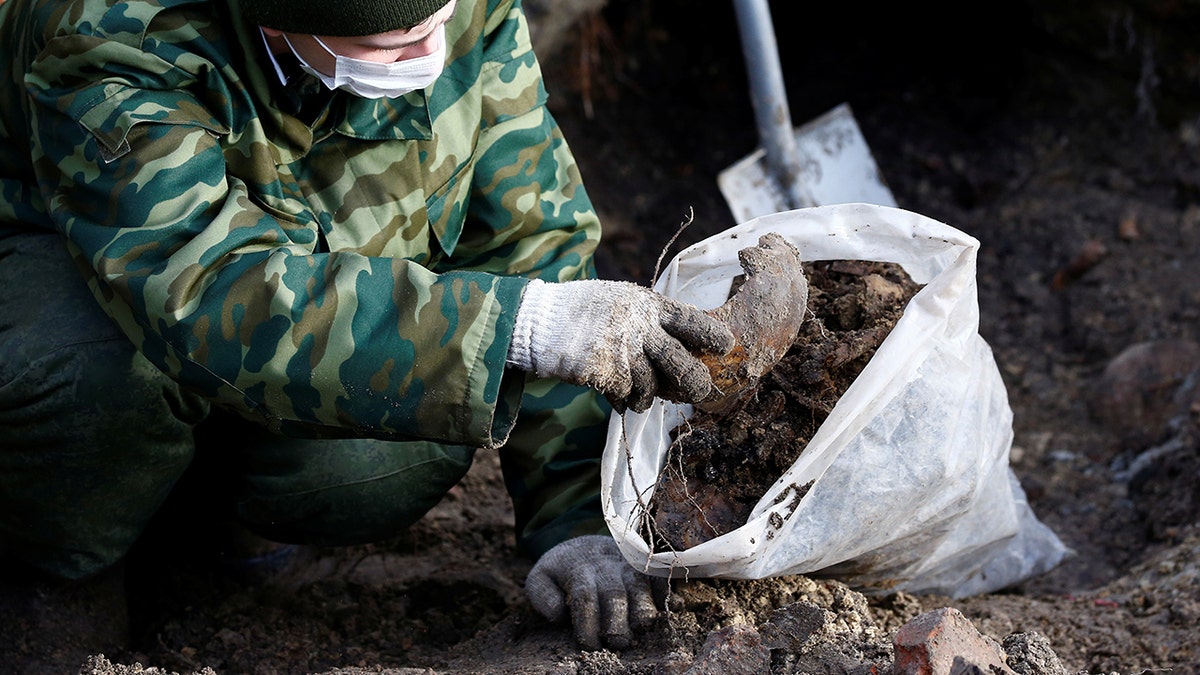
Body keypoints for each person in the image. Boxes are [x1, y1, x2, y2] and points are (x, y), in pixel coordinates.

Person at [0, 0, 735, 669]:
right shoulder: (116, 40)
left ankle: (211, 529)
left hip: (299, 306)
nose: (427, 58)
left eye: (437, 22)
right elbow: (206, 291)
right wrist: (517, 324)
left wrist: (575, 514)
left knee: (387, 456)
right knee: (83, 375)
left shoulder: (458, 13)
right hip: (77, 278)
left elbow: (531, 236)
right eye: (390, 46)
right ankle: (64, 556)